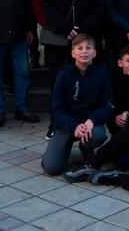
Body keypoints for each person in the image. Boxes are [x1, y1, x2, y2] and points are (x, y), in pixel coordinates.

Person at [42, 0, 104, 138]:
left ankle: (86, 123)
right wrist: (65, 27)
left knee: (87, 82)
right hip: (61, 39)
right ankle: (56, 123)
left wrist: (83, 29)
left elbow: (98, 4)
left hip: (86, 38)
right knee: (59, 82)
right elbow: (46, 4)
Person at [41, 34, 114, 176]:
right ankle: (62, 148)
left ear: (94, 53)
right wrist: (73, 126)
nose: (84, 51)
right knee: (52, 168)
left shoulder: (102, 75)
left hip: (90, 124)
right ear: (73, 53)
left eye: (88, 48)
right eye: (79, 48)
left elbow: (108, 104)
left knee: (99, 136)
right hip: (68, 125)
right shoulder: (63, 75)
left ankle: (86, 148)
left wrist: (92, 120)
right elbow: (56, 108)